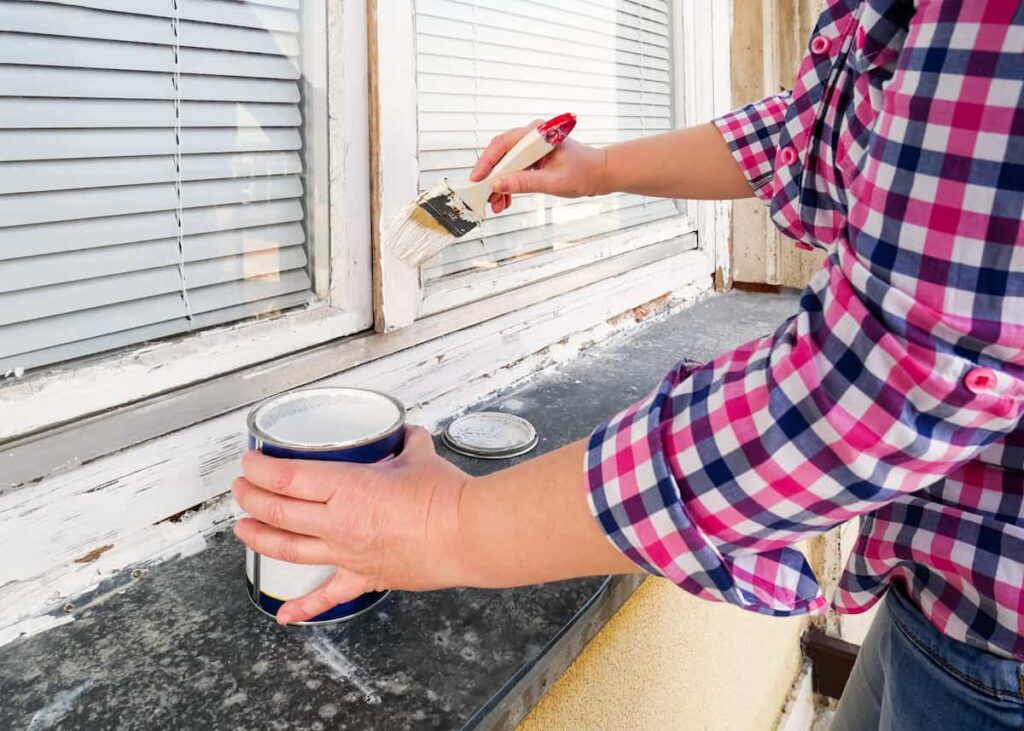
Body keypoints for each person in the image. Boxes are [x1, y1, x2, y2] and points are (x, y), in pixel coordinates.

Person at [231, 1, 1023, 728]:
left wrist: (450, 526)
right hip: (944, 595)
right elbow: (815, 136)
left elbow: (877, 387)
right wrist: (601, 169)